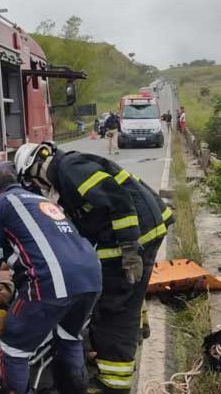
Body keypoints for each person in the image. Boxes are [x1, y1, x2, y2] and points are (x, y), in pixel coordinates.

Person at [15, 142, 171, 393]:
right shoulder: (68, 176)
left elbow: (118, 200)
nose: (39, 189)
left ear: (36, 167)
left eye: (34, 183)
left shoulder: (69, 169)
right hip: (145, 228)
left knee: (113, 308)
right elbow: (88, 224)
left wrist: (130, 248)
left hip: (134, 235)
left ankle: (113, 382)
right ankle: (139, 325)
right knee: (129, 291)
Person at [0, 175, 102, 393]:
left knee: (12, 349)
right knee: (68, 337)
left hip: (52, 282)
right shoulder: (39, 201)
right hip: (91, 277)